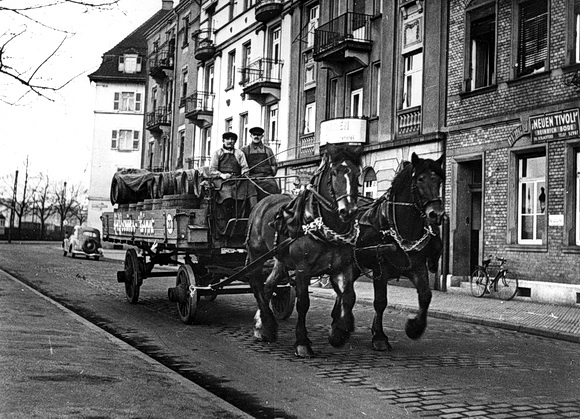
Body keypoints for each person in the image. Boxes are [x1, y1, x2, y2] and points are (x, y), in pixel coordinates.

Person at [209, 132, 252, 231]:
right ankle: (224, 224)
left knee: (242, 199)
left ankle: (238, 224)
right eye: (227, 139)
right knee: (227, 198)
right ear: (223, 141)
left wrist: (244, 173)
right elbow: (212, 170)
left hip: (236, 181)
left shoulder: (239, 153)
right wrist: (222, 175)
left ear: (235, 141)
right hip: (221, 181)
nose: (230, 141)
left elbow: (245, 167)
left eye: (232, 139)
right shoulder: (217, 153)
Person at [241, 126, 280, 207]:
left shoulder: (268, 150)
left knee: (273, 185)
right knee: (250, 190)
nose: (256, 136)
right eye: (254, 134)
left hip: (266, 177)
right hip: (251, 178)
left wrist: (271, 172)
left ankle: (274, 208)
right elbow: (241, 165)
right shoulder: (244, 150)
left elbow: (274, 165)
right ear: (251, 136)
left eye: (258, 135)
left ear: (262, 136)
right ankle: (253, 209)